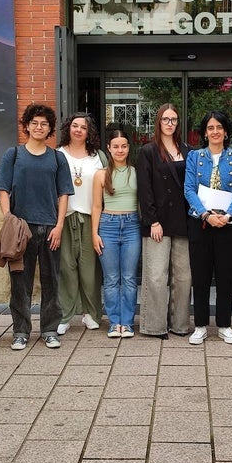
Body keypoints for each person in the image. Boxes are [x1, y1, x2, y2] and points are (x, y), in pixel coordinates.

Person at [0, 104, 73, 350]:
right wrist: (9, 219)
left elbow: (63, 194)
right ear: (27, 126)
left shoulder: (57, 158)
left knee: (51, 281)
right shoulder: (13, 155)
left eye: (44, 124)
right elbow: (3, 189)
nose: (39, 127)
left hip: (50, 227)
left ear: (50, 129)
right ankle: (20, 331)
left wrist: (59, 225)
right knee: (20, 282)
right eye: (34, 123)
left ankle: (50, 330)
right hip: (21, 229)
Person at [184, 111, 232, 346]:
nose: (215, 131)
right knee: (200, 276)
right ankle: (200, 325)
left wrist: (227, 216)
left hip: (227, 225)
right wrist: (206, 215)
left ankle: (224, 325)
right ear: (205, 132)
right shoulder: (195, 157)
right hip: (201, 223)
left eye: (219, 127)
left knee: (225, 276)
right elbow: (189, 188)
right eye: (210, 128)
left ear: (226, 131)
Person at [136, 103, 191, 339]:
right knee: (157, 276)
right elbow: (145, 189)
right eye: (166, 119)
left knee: (183, 277)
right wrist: (152, 221)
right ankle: (154, 326)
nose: (170, 123)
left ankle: (179, 324)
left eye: (174, 120)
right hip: (158, 222)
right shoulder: (148, 151)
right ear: (158, 122)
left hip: (183, 221)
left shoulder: (188, 150)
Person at [56, 113, 105, 334]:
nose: (78, 130)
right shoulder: (57, 155)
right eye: (74, 126)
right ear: (68, 128)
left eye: (83, 127)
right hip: (64, 217)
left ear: (89, 132)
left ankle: (90, 314)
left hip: (90, 217)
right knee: (66, 266)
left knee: (89, 268)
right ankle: (65, 315)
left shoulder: (98, 157)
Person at [92, 130, 140, 338]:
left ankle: (127, 322)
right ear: (109, 149)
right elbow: (95, 206)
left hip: (132, 226)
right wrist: (94, 233)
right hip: (108, 226)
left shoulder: (136, 172)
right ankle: (114, 322)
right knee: (111, 278)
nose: (120, 150)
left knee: (129, 278)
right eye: (116, 146)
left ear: (129, 148)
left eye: (124, 146)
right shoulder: (101, 174)